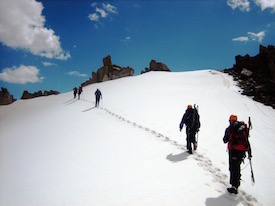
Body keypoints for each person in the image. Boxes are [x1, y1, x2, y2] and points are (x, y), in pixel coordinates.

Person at [223, 115, 252, 194]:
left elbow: (224, 140)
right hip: (242, 151)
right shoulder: (242, 128)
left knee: (233, 168)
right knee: (237, 166)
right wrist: (249, 152)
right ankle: (237, 182)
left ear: (230, 121)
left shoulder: (230, 129)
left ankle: (234, 186)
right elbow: (246, 140)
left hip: (233, 150)